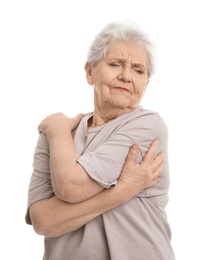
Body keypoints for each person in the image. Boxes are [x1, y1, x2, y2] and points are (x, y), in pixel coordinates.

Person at [25, 20, 175, 259]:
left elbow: (71, 187)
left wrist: (57, 132)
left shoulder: (148, 125)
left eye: (138, 70)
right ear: (90, 72)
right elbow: (42, 221)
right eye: (115, 64)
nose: (126, 76)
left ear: (145, 84)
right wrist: (123, 191)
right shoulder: (58, 134)